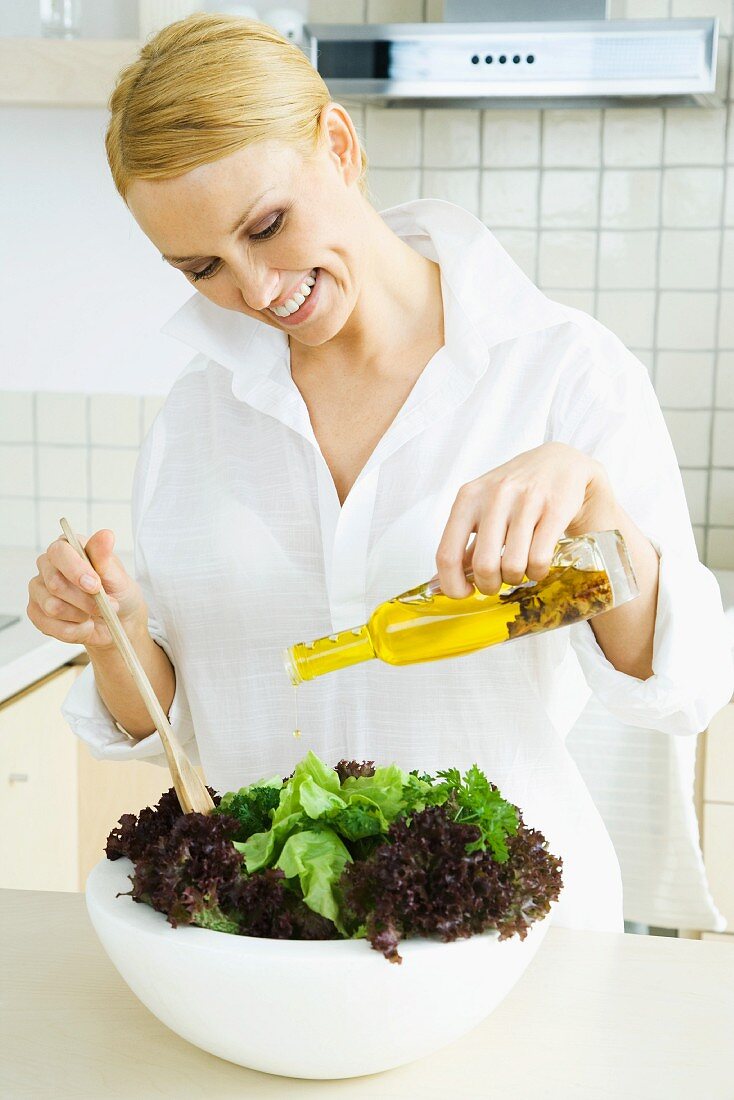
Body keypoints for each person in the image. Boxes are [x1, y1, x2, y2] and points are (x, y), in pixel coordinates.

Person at [27, 14, 733, 932]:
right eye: (202, 266)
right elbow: (175, 718)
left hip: (511, 941)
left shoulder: (560, 370)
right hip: (280, 939)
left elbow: (679, 687)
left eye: (268, 226)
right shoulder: (197, 415)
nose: (254, 289)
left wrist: (600, 515)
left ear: (338, 143)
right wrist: (113, 630)